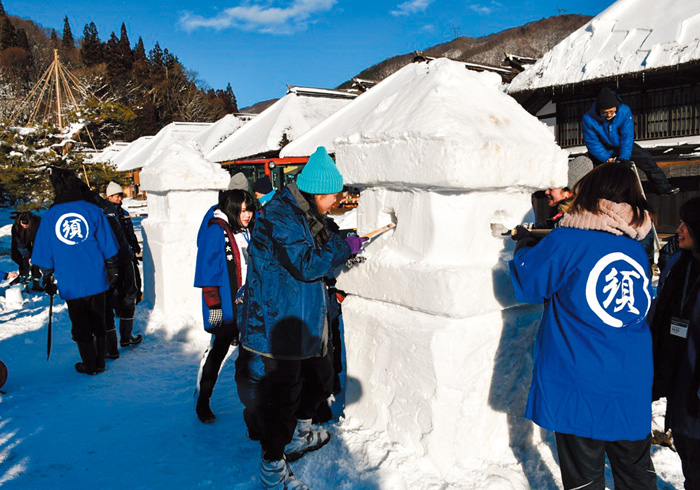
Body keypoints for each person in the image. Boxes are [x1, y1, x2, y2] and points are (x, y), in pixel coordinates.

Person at [509, 162, 657, 490]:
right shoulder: (636, 249)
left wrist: (523, 244)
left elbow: (528, 282)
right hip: (631, 382)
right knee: (636, 476)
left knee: (584, 479)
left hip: (581, 383)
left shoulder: (567, 240)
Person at [235, 146, 366, 489]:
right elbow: (306, 263)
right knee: (283, 396)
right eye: (335, 195)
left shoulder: (306, 213)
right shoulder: (280, 215)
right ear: (320, 192)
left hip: (306, 314)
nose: (337, 201)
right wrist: (343, 248)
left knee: (320, 378)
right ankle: (272, 467)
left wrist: (342, 240)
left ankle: (299, 436)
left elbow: (316, 246)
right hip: (279, 320)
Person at [31, 168, 119, 375]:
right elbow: (108, 243)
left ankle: (89, 365)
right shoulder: (92, 210)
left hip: (70, 279)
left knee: (80, 322)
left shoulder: (50, 216)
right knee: (98, 318)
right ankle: (100, 362)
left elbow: (44, 250)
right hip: (96, 275)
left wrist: (46, 275)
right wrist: (113, 267)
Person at [649, 197, 700, 490]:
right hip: (681, 379)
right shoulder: (681, 264)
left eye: (686, 224)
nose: (678, 229)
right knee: (688, 454)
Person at [193, 189, 255, 424]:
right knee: (218, 353)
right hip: (227, 307)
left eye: (248, 209)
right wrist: (214, 306)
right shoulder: (216, 230)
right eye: (241, 210)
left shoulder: (245, 229)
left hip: (247, 305)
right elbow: (207, 272)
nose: (246, 214)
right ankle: (203, 401)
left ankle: (254, 405)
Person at [582, 87, 678, 195]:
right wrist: (605, 158)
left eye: (611, 112)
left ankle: (663, 187)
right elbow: (592, 142)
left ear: (616, 108)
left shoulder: (624, 111)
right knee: (595, 171)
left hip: (622, 145)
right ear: (599, 110)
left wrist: (624, 157)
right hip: (603, 148)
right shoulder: (588, 118)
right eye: (605, 113)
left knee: (646, 158)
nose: (609, 115)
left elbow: (627, 136)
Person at [102, 181, 143, 357]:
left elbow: (130, 234)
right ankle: (111, 345)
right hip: (110, 261)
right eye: (115, 195)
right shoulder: (103, 213)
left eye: (120, 195)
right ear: (108, 197)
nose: (119, 198)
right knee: (110, 298)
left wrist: (134, 247)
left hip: (126, 259)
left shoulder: (124, 213)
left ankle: (126, 336)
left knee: (130, 294)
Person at [10, 211, 43, 291]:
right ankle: (23, 278)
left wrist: (34, 255)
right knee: (22, 260)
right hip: (20, 245)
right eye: (23, 224)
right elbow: (20, 244)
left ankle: (36, 281)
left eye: (27, 224)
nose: (25, 226)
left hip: (34, 243)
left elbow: (38, 242)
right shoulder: (16, 227)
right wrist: (26, 255)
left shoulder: (36, 225)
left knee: (35, 262)